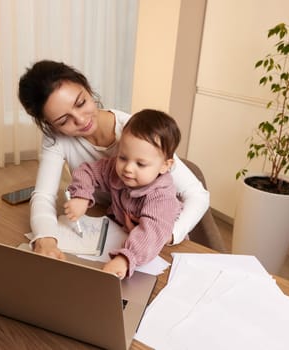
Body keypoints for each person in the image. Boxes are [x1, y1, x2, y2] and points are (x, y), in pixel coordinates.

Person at [18, 60, 209, 259]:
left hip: (158, 235)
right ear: (50, 125)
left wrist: (166, 234)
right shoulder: (56, 138)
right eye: (64, 120)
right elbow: (44, 196)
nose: (81, 120)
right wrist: (46, 239)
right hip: (112, 226)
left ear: (88, 89)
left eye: (81, 103)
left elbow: (197, 195)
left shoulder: (135, 133)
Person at [65, 109, 183, 279]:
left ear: (165, 165)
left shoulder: (161, 196)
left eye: (141, 164)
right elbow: (86, 171)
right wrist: (81, 196)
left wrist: (126, 259)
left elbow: (151, 235)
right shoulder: (115, 169)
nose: (127, 168)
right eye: (123, 157)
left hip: (160, 253)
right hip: (120, 234)